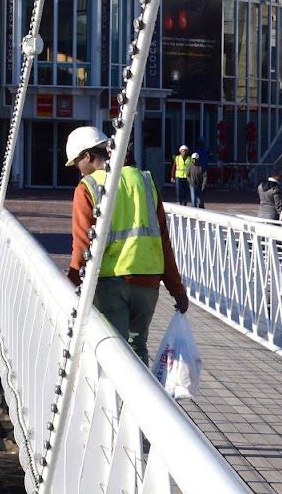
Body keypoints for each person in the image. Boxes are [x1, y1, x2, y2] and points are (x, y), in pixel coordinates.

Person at [65, 125, 189, 363]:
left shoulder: (88, 187)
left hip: (111, 283)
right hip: (149, 282)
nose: (78, 170)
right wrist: (176, 289)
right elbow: (163, 240)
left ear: (88, 156)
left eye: (77, 163)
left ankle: (116, 401)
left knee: (115, 354)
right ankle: (140, 399)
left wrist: (70, 287)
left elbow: (81, 248)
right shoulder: (144, 180)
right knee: (137, 349)